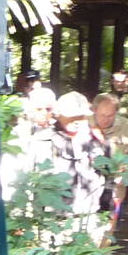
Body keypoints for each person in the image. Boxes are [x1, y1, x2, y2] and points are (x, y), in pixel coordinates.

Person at [48, 91, 106, 241]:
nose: (76, 121)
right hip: (55, 219)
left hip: (88, 216)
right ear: (59, 115)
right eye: (71, 116)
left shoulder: (94, 141)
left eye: (81, 116)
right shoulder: (44, 141)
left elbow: (107, 173)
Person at [92, 92, 128, 247]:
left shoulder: (127, 127)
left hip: (115, 188)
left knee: (108, 227)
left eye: (110, 115)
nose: (106, 119)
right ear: (94, 110)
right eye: (102, 115)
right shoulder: (84, 123)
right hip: (88, 187)